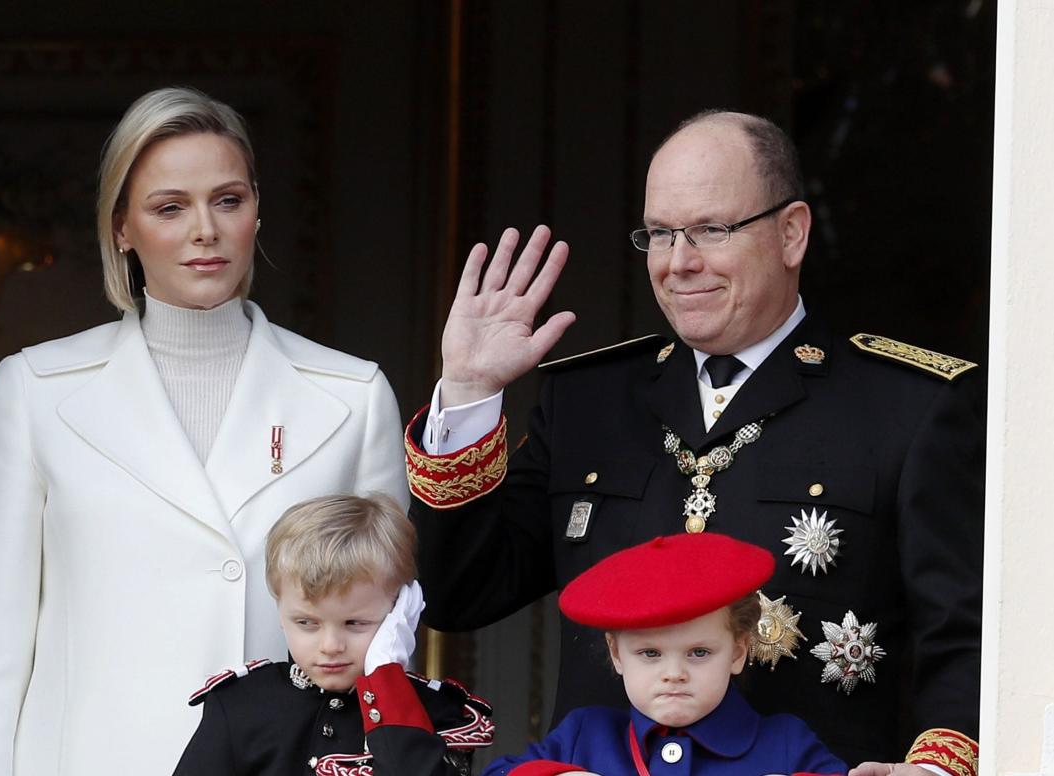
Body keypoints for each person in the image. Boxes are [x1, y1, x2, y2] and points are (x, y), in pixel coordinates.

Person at [404, 110, 983, 775]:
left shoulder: (905, 406)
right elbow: (459, 595)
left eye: (711, 229)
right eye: (659, 234)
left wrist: (938, 767)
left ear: (790, 233)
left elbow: (965, 635)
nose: (679, 263)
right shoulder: (590, 399)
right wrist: (469, 390)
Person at [0, 87, 409, 776]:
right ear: (121, 228)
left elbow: (385, 643)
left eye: (228, 200)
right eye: (170, 207)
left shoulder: (354, 396)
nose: (205, 229)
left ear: (256, 210)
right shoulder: (35, 390)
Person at [172, 493, 495, 774]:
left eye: (355, 624)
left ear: (401, 612)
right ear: (280, 612)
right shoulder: (242, 705)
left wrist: (386, 678)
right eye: (307, 623)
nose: (330, 646)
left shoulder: (435, 713)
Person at [485, 532, 847, 775]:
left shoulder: (785, 742)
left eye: (699, 652)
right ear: (616, 653)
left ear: (738, 652)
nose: (674, 673)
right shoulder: (585, 734)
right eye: (650, 653)